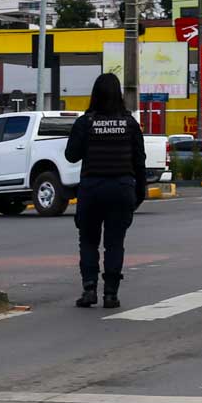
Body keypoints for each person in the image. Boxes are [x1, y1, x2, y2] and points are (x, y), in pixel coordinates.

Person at [64, 73, 147, 310]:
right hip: (122, 189)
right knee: (114, 242)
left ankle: (89, 289)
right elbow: (139, 161)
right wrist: (139, 193)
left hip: (92, 188)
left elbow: (71, 156)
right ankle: (111, 294)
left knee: (89, 240)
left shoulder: (85, 122)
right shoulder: (130, 124)